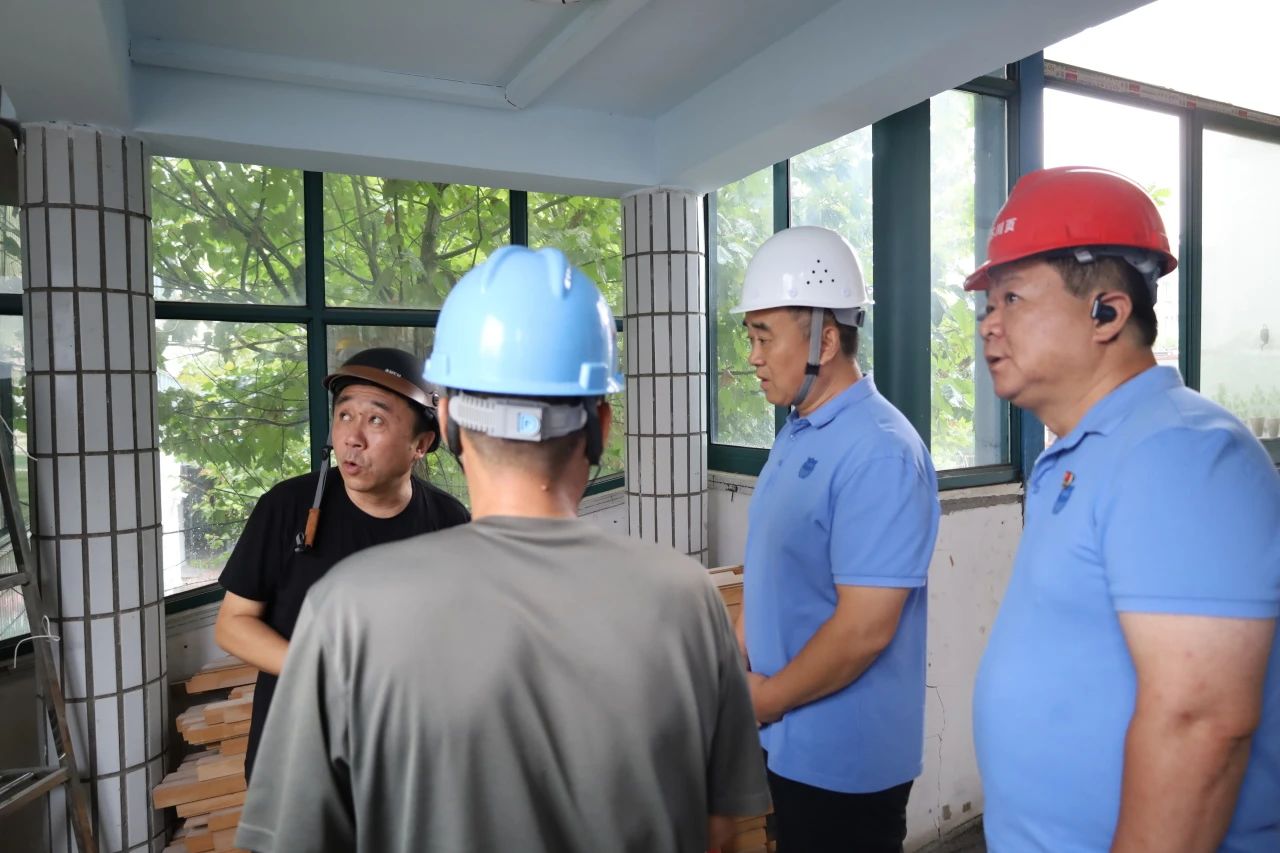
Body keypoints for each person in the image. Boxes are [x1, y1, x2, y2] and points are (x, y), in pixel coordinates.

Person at [235, 246, 770, 853]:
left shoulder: (347, 610)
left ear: (445, 423)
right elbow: (719, 835)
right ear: (601, 424)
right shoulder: (687, 600)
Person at [970, 166, 1280, 851]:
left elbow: (1201, 722)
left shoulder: (1180, 451)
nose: (989, 325)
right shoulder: (1086, 450)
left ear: (1106, 313)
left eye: (1011, 297)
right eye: (987, 305)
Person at [732, 226, 940, 852]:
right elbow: (774, 572)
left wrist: (767, 699)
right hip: (786, 743)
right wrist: (729, 666)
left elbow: (864, 629)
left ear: (825, 340)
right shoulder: (799, 431)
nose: (753, 356)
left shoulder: (880, 450)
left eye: (764, 336)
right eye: (750, 337)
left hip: (846, 764)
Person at [213, 347, 469, 778]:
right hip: (296, 755)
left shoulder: (448, 521)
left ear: (421, 444)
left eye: (376, 420)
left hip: (403, 755)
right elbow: (233, 624)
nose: (352, 437)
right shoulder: (287, 506)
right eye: (345, 415)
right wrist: (325, 674)